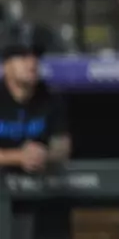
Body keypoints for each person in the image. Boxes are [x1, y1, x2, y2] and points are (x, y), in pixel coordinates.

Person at [0, 40, 71, 239]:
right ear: (6, 64)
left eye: (35, 56)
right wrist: (18, 157)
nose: (31, 63)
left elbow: (63, 145)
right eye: (22, 57)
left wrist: (44, 154)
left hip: (41, 193)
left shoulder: (50, 97)